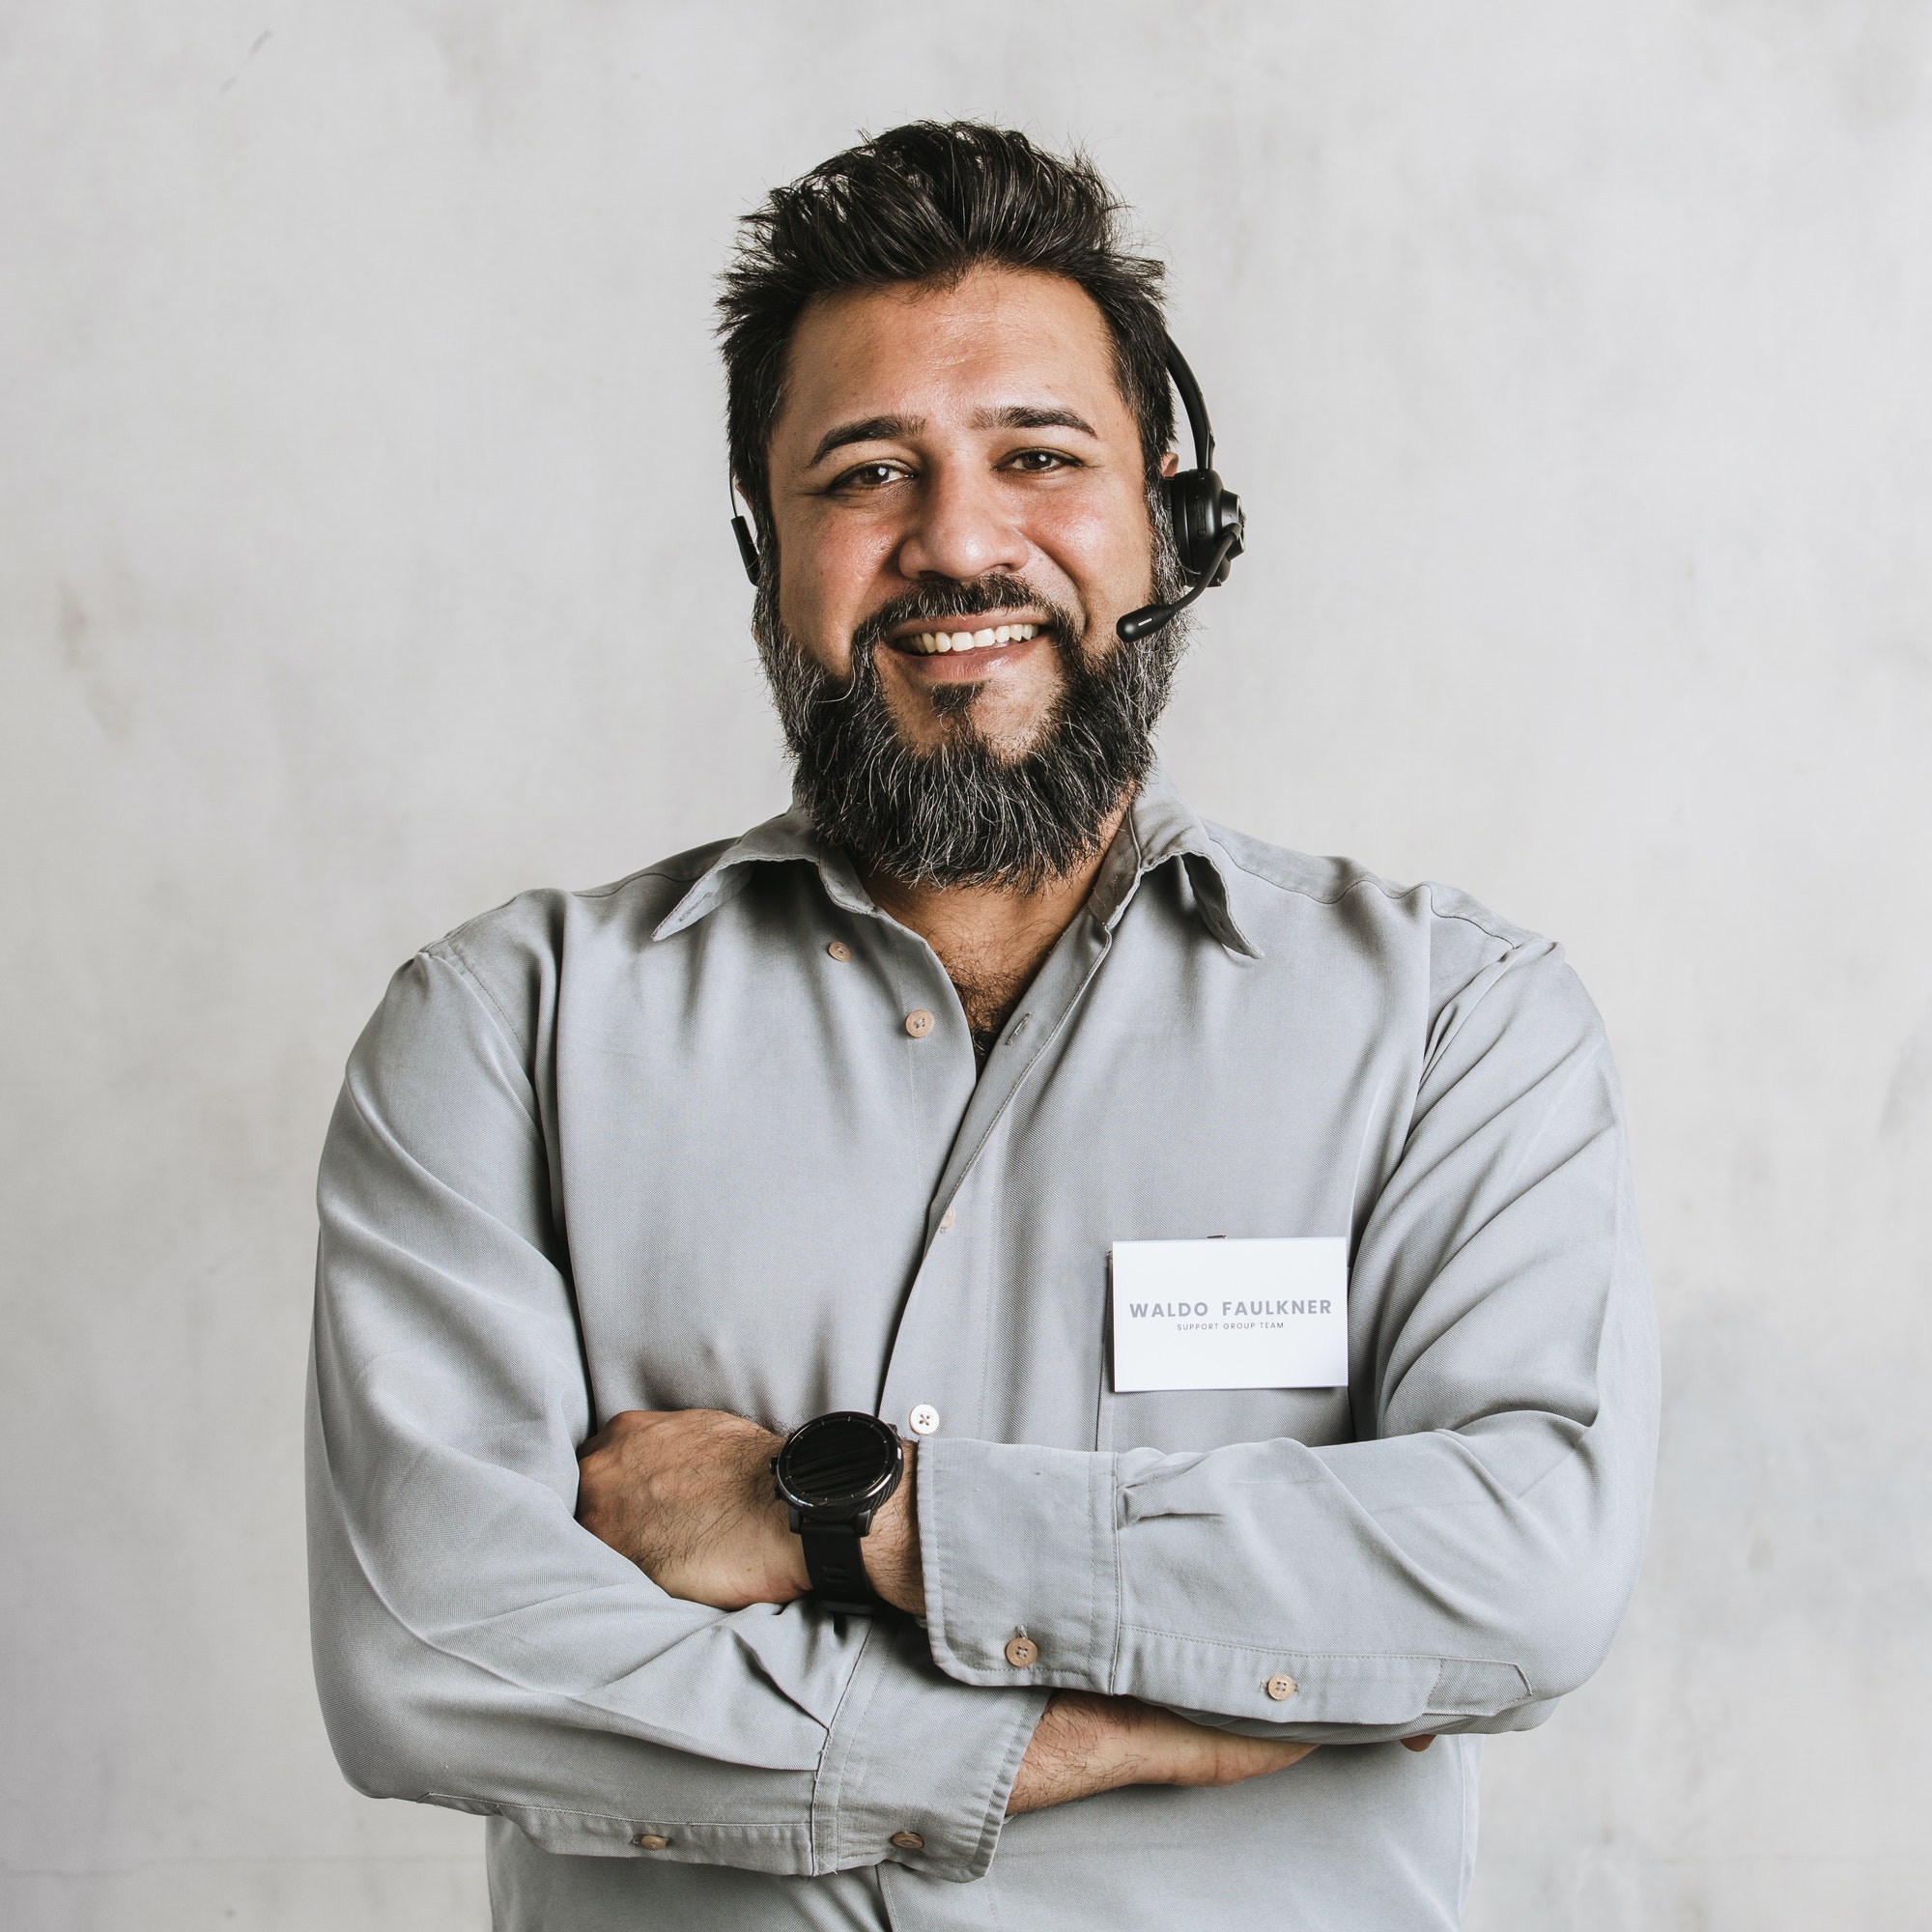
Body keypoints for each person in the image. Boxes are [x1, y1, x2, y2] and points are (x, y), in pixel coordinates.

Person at [307, 121, 1660, 1931]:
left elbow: (1522, 1574)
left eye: (1040, 456)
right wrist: (1072, 1731)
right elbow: (432, 1651)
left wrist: (850, 1517)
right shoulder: (501, 1036)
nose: (959, 542)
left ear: (1171, 515)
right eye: (868, 472)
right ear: (763, 550)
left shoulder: (1459, 1028)